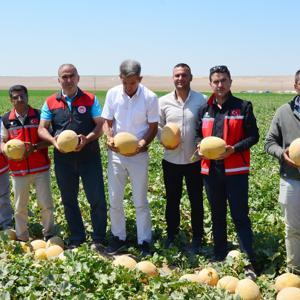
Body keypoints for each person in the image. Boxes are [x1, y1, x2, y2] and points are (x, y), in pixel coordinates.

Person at [196, 66, 259, 269]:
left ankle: (248, 258)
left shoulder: (243, 106)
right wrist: (199, 145)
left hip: (235, 172)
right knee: (217, 213)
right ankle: (219, 254)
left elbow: (253, 136)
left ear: (230, 82)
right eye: (216, 81)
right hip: (211, 171)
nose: (220, 85)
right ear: (210, 84)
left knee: (240, 214)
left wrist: (234, 149)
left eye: (223, 80)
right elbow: (198, 134)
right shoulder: (204, 110)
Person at [38, 64, 107, 249]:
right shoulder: (50, 101)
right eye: (64, 77)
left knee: (97, 198)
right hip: (63, 160)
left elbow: (100, 125)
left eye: (71, 76)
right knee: (68, 199)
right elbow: (41, 128)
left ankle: (99, 238)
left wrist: (87, 139)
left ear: (78, 78)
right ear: (58, 79)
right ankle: (77, 237)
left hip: (89, 156)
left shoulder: (90, 99)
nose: (68, 80)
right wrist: (54, 142)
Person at [102, 59, 159, 256]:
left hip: (138, 156)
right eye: (125, 82)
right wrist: (108, 136)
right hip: (116, 155)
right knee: (115, 198)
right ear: (120, 78)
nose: (128, 86)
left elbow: (152, 128)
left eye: (133, 82)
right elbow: (107, 122)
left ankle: (144, 240)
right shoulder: (112, 94)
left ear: (140, 79)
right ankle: (119, 238)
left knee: (140, 199)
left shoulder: (150, 97)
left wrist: (143, 143)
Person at [158, 63, 207, 253]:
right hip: (171, 159)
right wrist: (164, 140)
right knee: (172, 199)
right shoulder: (163, 102)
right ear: (173, 78)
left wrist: (201, 142)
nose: (180, 79)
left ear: (190, 77)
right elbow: (158, 127)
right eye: (177, 75)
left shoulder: (201, 100)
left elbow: (205, 125)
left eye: (184, 75)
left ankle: (197, 237)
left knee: (196, 200)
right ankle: (172, 235)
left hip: (194, 160)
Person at [0, 85, 55, 241]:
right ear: (11, 100)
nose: (20, 99)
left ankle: (49, 234)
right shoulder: (6, 120)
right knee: (19, 207)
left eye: (22, 96)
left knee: (46, 204)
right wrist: (7, 150)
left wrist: (36, 147)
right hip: (19, 170)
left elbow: (50, 140)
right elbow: (3, 142)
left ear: (27, 97)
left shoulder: (39, 116)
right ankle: (22, 236)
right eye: (16, 97)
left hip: (41, 168)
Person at [265, 69, 300, 274]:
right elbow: (269, 142)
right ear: (296, 86)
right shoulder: (283, 112)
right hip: (291, 180)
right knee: (293, 229)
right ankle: (295, 271)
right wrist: (282, 154)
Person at [0, 116, 13, 231]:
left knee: (3, 196)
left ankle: (6, 223)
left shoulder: (1, 121)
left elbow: (3, 140)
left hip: (1, 165)